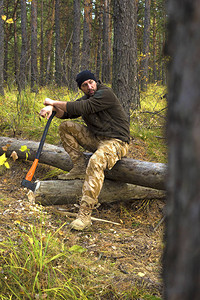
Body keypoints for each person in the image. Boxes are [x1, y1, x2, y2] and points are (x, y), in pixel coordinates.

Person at [39, 70, 130, 231]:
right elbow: (67, 113)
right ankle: (80, 166)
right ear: (81, 88)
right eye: (85, 85)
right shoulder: (87, 98)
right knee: (66, 127)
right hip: (97, 139)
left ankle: (85, 214)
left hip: (117, 142)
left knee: (96, 161)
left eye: (91, 82)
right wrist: (51, 108)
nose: (89, 87)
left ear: (96, 81)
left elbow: (82, 107)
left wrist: (52, 101)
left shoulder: (105, 93)